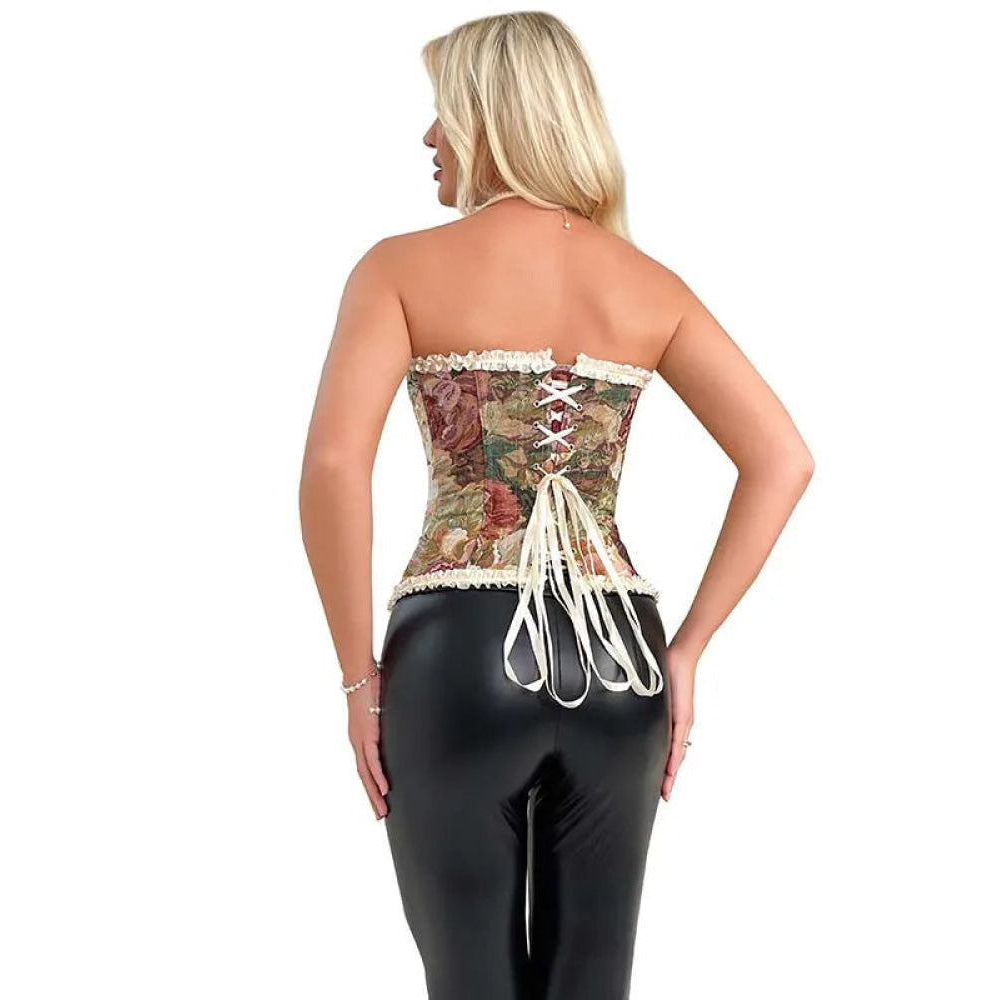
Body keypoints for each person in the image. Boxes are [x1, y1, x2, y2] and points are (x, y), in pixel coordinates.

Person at [298, 12, 814, 999]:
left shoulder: (398, 267)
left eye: (443, 111)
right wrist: (686, 651)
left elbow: (331, 465)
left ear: (491, 119)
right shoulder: (648, 285)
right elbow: (781, 458)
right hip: (620, 657)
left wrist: (358, 679)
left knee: (470, 982)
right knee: (592, 983)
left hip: (459, 654)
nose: (429, 136)